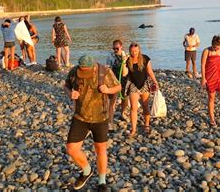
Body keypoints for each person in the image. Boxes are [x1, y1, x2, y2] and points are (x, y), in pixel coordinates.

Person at [64, 54, 121, 191]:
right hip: (80, 117)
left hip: (100, 117)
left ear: (93, 66)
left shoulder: (104, 71)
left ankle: (102, 181)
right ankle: (87, 170)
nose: (83, 73)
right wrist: (70, 93)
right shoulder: (74, 72)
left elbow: (118, 87)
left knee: (100, 150)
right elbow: (66, 86)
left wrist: (108, 90)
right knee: (71, 149)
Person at [125, 42, 160, 136]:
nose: (134, 53)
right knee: (133, 107)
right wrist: (123, 61)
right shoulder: (128, 60)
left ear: (139, 50)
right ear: (129, 51)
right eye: (132, 51)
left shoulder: (145, 58)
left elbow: (150, 72)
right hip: (133, 85)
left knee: (145, 105)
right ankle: (133, 129)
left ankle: (147, 124)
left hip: (144, 84)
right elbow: (124, 74)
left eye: (135, 51)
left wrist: (155, 82)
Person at [201, 35, 220, 129]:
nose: (216, 49)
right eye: (215, 47)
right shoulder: (207, 51)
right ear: (212, 44)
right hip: (210, 78)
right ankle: (212, 119)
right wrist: (203, 78)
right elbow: (202, 64)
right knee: (211, 98)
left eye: (217, 47)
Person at [106, 39, 129, 128]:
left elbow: (125, 73)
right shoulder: (110, 56)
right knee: (112, 101)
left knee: (125, 98)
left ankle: (122, 113)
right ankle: (110, 122)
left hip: (124, 79)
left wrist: (124, 62)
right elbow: (108, 68)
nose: (115, 50)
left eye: (117, 48)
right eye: (113, 48)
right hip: (113, 80)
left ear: (121, 47)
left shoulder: (126, 56)